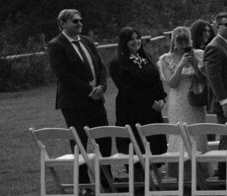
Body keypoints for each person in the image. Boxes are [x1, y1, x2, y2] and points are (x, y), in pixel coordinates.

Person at [46, 10, 111, 168]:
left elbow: (100, 66)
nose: (80, 23)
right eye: (75, 21)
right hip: (74, 103)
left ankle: (106, 178)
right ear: (63, 23)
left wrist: (102, 86)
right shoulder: (56, 45)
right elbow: (63, 75)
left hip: (96, 100)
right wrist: (90, 90)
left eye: (80, 20)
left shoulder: (87, 41)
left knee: (104, 139)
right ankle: (83, 180)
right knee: (79, 143)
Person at [109, 26, 165, 135]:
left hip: (153, 110)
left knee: (155, 140)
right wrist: (150, 102)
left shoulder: (146, 57)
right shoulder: (118, 62)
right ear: (124, 42)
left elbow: (156, 80)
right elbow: (127, 89)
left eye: (138, 38)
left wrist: (161, 99)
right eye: (131, 39)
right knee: (139, 142)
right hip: (132, 110)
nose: (136, 41)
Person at [158, 25, 206, 126]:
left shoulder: (199, 55)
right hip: (178, 100)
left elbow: (204, 81)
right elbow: (172, 83)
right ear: (174, 43)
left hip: (196, 98)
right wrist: (180, 65)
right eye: (180, 43)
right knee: (180, 129)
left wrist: (195, 66)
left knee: (197, 129)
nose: (184, 46)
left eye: (186, 42)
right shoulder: (166, 59)